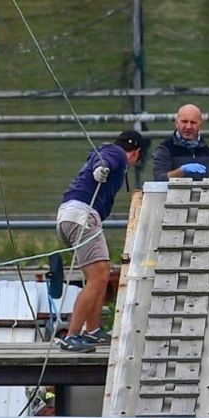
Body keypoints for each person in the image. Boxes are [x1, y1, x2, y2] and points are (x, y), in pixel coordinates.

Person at [55, 129, 144, 353]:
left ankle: (93, 330)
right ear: (136, 154)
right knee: (98, 277)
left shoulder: (110, 150)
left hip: (71, 215)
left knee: (101, 273)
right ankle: (72, 335)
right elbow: (104, 157)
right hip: (82, 216)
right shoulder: (116, 154)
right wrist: (99, 169)